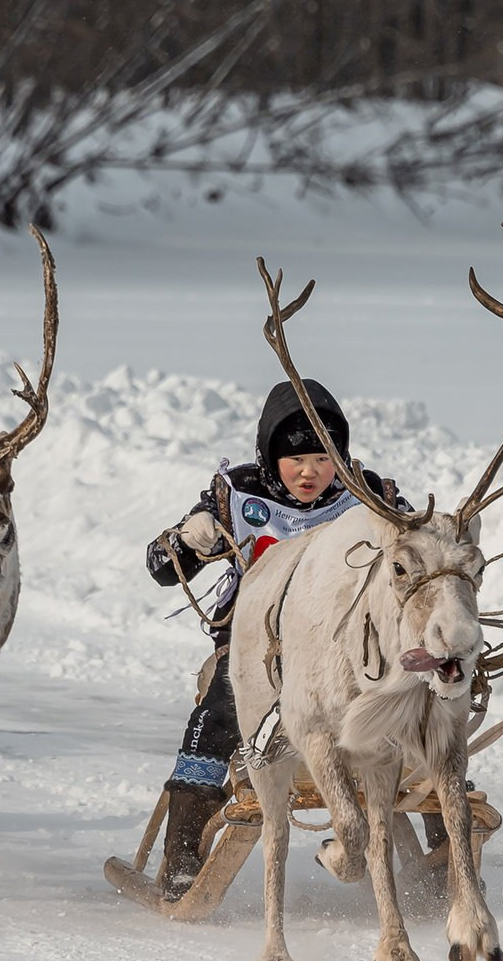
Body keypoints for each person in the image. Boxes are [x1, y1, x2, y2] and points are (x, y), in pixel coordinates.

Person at [143, 379, 411, 900]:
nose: (310, 473)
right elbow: (161, 569)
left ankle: (445, 848)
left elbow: (420, 552)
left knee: (424, 715)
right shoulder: (239, 493)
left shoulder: (367, 495)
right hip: (259, 652)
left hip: (351, 653)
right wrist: (186, 540)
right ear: (271, 455)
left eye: (323, 458)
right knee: (215, 718)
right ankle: (181, 853)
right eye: (296, 460)